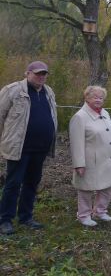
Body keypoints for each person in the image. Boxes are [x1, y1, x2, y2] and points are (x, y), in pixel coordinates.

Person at [0, 61, 57, 235]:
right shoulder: (13, 90)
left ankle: (26, 217)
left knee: (32, 183)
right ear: (28, 73)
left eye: (44, 74)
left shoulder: (49, 92)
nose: (41, 77)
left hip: (40, 148)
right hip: (19, 147)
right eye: (38, 73)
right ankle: (5, 220)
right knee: (13, 183)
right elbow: (1, 116)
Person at [69, 86, 111, 227]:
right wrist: (79, 163)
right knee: (86, 188)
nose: (98, 99)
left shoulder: (106, 113)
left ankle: (100, 211)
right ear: (87, 98)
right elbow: (76, 143)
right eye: (94, 97)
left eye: (101, 97)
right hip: (90, 160)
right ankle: (83, 215)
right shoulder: (80, 117)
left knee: (107, 186)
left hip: (107, 159)